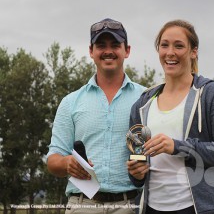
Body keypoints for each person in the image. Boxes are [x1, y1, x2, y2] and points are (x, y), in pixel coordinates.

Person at [127, 19, 214, 214]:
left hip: (204, 208)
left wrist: (177, 146)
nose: (170, 52)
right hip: (152, 208)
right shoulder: (142, 104)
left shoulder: (213, 94)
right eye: (164, 45)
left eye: (178, 46)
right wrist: (136, 173)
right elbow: (135, 158)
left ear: (193, 51)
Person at [47, 18, 146, 214]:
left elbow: (158, 154)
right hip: (82, 205)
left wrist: (146, 165)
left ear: (127, 50)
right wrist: (67, 163)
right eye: (101, 45)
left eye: (115, 45)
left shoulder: (146, 98)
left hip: (131, 205)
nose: (108, 51)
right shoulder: (70, 102)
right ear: (91, 51)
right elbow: (53, 160)